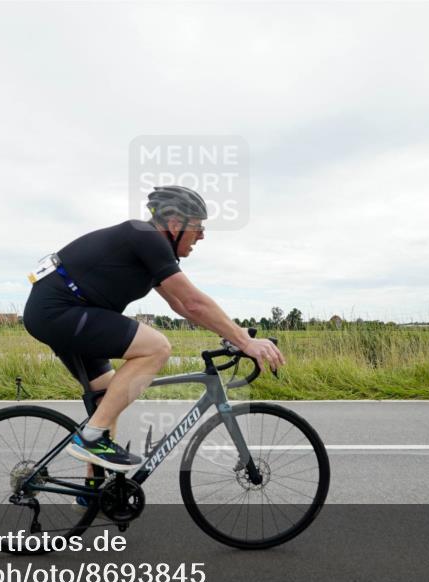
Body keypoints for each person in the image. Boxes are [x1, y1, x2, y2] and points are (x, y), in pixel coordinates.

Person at [22, 185, 285, 473]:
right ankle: (91, 438)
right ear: (175, 224)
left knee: (109, 397)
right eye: (197, 227)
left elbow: (181, 306)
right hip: (60, 311)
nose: (202, 235)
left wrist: (232, 334)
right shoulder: (145, 237)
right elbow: (193, 301)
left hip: (65, 314)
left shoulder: (147, 250)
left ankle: (92, 493)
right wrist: (246, 343)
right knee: (157, 347)